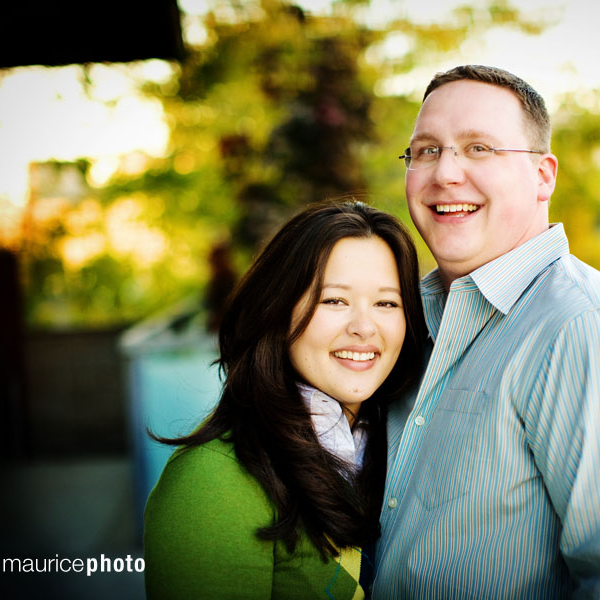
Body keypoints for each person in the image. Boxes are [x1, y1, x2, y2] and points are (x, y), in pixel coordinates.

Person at [372, 65, 600, 599]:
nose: (445, 173)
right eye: (426, 150)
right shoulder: (410, 321)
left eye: (479, 148)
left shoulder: (594, 335)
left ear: (543, 175)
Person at [144, 201, 427, 599]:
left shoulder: (398, 456)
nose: (364, 328)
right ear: (277, 310)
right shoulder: (211, 482)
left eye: (386, 303)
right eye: (334, 300)